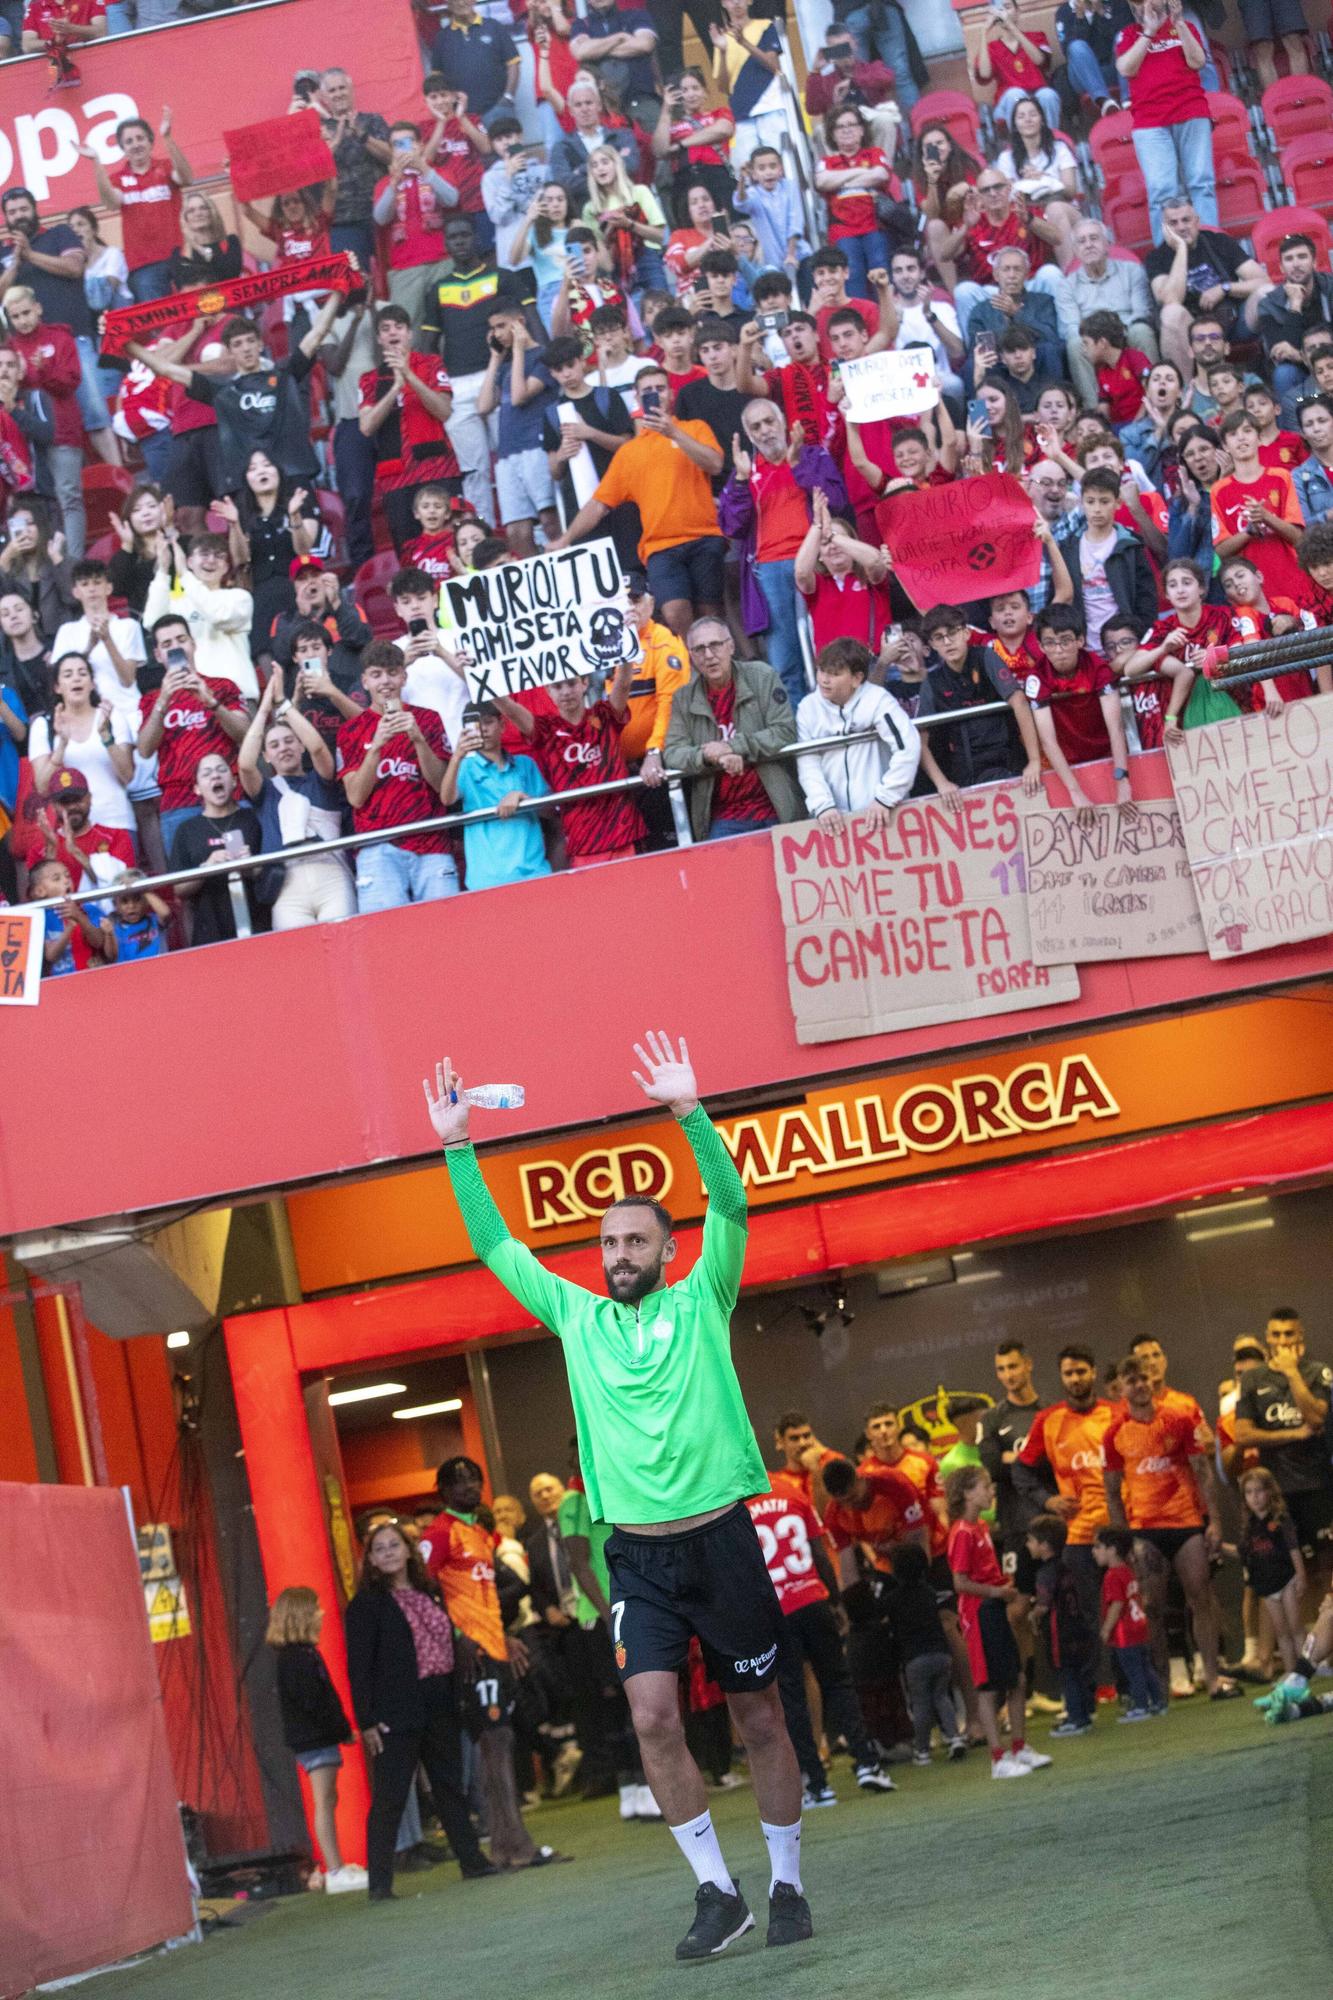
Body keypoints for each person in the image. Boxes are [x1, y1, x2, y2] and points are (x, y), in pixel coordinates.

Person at [424, 1035, 812, 1958]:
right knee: (649, 1715)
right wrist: (455, 1145)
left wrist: (689, 1113)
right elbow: (492, 1242)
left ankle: (787, 1881)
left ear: (669, 1250)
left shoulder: (704, 1297)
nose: (617, 1252)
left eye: (635, 1239)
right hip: (636, 1555)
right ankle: (718, 1894)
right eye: (606, 1242)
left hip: (720, 1539)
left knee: (760, 1717)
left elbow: (732, 1200)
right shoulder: (574, 1316)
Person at [422, 1457, 562, 1871]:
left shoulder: (480, 1533)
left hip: (494, 1648)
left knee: (502, 1744)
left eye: (474, 1479)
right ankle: (512, 1846)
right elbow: (424, 1591)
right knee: (492, 1750)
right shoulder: (439, 1533)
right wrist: (459, 1637)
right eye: (458, 1481)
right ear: (443, 1490)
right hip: (472, 1656)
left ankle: (509, 1845)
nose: (469, 1486)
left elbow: (492, 1593)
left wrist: (504, 1636)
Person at [345, 1520, 495, 1900]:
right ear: (371, 1559)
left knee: (449, 1786)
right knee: (390, 1797)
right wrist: (366, 1720)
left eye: (395, 1545)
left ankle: (472, 1861)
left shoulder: (431, 1591)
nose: (389, 1552)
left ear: (409, 1550)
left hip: (440, 1701)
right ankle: (379, 1883)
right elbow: (358, 1667)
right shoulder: (365, 1605)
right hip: (396, 1710)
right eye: (380, 1548)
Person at [745, 1482, 896, 1801]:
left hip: (778, 1610)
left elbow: (745, 1572)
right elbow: (819, 1554)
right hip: (812, 1599)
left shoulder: (737, 1510)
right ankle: (867, 1763)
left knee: (793, 1697)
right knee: (838, 1683)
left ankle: (816, 1783)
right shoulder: (793, 1495)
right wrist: (835, 1601)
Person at [551, 365, 725, 638]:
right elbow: (599, 504)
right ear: (636, 397)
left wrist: (674, 433)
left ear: (671, 393)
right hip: (660, 547)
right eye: (647, 391)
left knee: (711, 614)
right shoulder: (629, 452)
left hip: (704, 537)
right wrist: (564, 539)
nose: (654, 395)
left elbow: (715, 464)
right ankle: (693, 675)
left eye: (660, 389)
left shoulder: (695, 428)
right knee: (674, 613)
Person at [1104, 1352, 1237, 1699]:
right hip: (1144, 1529)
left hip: (1185, 1522)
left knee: (1201, 1598)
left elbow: (1204, 1473)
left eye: (1145, 1378)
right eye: (1133, 1380)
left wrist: (1214, 1523)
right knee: (1151, 1607)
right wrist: (1122, 1542)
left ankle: (1211, 1679)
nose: (1141, 1385)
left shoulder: (1178, 1419)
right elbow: (1112, 1492)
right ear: (1121, 1388)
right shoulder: (1115, 1432)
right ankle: (1159, 1686)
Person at [126, 290, 342, 500]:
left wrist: (339, 292)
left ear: (260, 344)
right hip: (252, 489)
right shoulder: (223, 393)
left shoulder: (284, 375)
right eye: (238, 344)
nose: (246, 349)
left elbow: (317, 333)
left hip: (293, 476)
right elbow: (166, 369)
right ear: (229, 351)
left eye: (250, 341)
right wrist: (124, 343)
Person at [719, 397, 845, 705]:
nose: (764, 431)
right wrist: (740, 480)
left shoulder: (811, 455)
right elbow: (731, 527)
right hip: (769, 569)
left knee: (829, 650)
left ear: (784, 423)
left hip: (817, 561)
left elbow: (836, 500)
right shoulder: (744, 471)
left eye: (769, 422)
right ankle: (800, 739)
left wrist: (797, 464)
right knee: (784, 661)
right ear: (748, 435)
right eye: (755, 427)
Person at [946, 1465, 1050, 1779]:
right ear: (967, 1493)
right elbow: (960, 1583)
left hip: (994, 1608)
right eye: (985, 1486)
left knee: (1016, 1679)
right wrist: (996, 1591)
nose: (991, 1491)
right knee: (988, 1687)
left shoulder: (981, 1529)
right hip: (978, 1614)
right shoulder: (962, 1533)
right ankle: (997, 1758)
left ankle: (1019, 1747)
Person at [336, 639, 454, 913]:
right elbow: (355, 797)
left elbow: (442, 788)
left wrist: (419, 740)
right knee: (386, 940)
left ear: (404, 676)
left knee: (446, 931)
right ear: (364, 681)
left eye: (391, 672)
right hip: (377, 848)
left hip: (431, 842)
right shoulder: (350, 731)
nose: (385, 681)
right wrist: (376, 746)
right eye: (376, 674)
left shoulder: (429, 720)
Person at [663, 618, 803, 841]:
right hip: (723, 817)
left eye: (715, 645)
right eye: (699, 649)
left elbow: (785, 731)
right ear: (690, 655)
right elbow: (672, 753)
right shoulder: (683, 698)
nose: (709, 655)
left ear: (731, 646)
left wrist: (732, 746)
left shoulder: (762, 675)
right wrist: (709, 756)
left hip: (774, 805)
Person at [266, 1586, 366, 1895]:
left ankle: (335, 1865)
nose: (322, 1614)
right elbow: (315, 1702)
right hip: (314, 1739)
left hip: (316, 1737)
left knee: (329, 1799)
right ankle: (334, 1870)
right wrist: (341, 1729)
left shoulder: (300, 1655)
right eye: (315, 1609)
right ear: (300, 1616)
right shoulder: (297, 1658)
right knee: (324, 1801)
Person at [237, 671, 355, 933]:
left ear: (300, 746)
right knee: (303, 963)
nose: (284, 748)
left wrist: (285, 705)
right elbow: (245, 764)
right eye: (275, 745)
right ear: (266, 756)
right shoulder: (265, 791)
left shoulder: (321, 779)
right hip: (287, 885)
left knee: (345, 949)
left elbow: (318, 749)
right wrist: (265, 707)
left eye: (290, 741)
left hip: (331, 877)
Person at [1234, 1309, 1333, 1611]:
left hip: (1317, 1485)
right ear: (1267, 1337)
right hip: (1275, 1492)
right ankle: (1301, 1648)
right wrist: (1294, 1434)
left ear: (1300, 1335)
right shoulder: (1252, 1378)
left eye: (1289, 1333)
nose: (1282, 1340)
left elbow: (1317, 1419)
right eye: (1276, 1334)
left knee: (1326, 1569)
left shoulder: (1318, 1372)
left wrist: (1291, 1373)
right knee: (1286, 1573)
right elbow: (1243, 1434)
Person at [1018, 1345, 1117, 1643]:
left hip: (1119, 1528)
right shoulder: (1048, 1420)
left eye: (1081, 1372)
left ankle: (1134, 1681)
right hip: (1078, 1534)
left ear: (1093, 1373)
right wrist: (1048, 1500)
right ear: (1061, 1377)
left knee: (1128, 1604)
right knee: (1090, 1613)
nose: (1075, 1379)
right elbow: (1021, 1471)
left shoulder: (1117, 1414)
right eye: (1068, 1373)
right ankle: (1104, 1684)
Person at [914, 605, 1043, 805]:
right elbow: (919, 741)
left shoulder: (986, 656)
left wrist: (1034, 761)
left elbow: (1019, 702)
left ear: (966, 633)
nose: (947, 642)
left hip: (1009, 763)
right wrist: (942, 783)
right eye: (939, 637)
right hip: (963, 776)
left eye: (952, 633)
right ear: (931, 644)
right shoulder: (932, 682)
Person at [358, 303, 461, 551]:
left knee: (450, 545)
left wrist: (409, 376)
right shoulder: (369, 379)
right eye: (385, 329)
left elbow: (444, 411)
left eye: (399, 327)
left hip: (437, 469)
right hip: (396, 478)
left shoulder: (432, 364)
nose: (393, 332)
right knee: (409, 552)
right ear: (379, 338)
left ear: (409, 333)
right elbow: (366, 427)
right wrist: (394, 387)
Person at [1113, 0, 1215, 244]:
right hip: (1150, 122)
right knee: (1161, 191)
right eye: (1139, 4)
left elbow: (1197, 62)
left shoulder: (1185, 26)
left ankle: (1213, 246)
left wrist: (1178, 24)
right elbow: (1126, 68)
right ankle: (1168, 255)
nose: (1146, 6)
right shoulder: (1127, 35)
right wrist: (1148, 31)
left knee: (1201, 183)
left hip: (1190, 111)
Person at [794, 635, 919, 831]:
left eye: (835, 674)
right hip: (832, 821)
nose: (825, 680)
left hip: (886, 815)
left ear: (857, 678)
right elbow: (808, 762)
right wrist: (822, 806)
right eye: (822, 671)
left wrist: (885, 798)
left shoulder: (878, 699)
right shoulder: (807, 708)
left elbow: (907, 746)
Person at [1026, 603, 1137, 818]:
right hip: (1066, 763)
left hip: (1107, 754)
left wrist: (1122, 779)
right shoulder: (1036, 678)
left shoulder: (1098, 668)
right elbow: (1047, 740)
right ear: (1040, 646)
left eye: (1066, 641)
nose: (1058, 650)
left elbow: (1115, 727)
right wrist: (1075, 792)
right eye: (1050, 643)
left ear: (1080, 640)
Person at [440, 698, 552, 889]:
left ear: (502, 725)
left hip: (535, 872)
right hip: (487, 879)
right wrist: (457, 755)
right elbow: (447, 798)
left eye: (488, 722)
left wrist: (523, 797)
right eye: (476, 724)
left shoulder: (526, 764)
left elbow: (551, 812)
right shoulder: (464, 767)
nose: (483, 729)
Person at [168, 752, 265, 946]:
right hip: (210, 931)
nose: (215, 776)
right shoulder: (187, 830)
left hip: (261, 924)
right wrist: (206, 868)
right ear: (197, 789)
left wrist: (252, 866)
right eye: (207, 773)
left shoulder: (254, 818)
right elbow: (179, 889)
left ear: (234, 781)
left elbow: (275, 870)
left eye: (222, 770)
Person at [316, 67, 393, 274]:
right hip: (342, 221)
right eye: (332, 91)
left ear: (351, 90)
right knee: (355, 284)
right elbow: (311, 175)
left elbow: (391, 157)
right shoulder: (318, 131)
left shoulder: (373, 121)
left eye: (342, 88)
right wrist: (334, 143)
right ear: (323, 97)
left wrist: (362, 135)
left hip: (380, 213)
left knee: (393, 274)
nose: (338, 93)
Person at [1026, 1513, 1098, 1736]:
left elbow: (1044, 1605)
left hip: (1061, 1633)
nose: (1028, 1545)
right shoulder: (1067, 1567)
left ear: (1044, 1545)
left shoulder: (1045, 1572)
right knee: (1079, 1672)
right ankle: (1084, 1714)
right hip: (1079, 1627)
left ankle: (1075, 1719)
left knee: (1068, 1675)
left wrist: (1032, 1614)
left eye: (1031, 1541)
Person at [1237, 1466, 1307, 1674]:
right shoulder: (1249, 1526)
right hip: (1267, 1585)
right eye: (1249, 1492)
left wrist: (1301, 1575)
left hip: (1287, 1579)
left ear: (1269, 1492)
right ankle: (1290, 1671)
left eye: (1259, 1491)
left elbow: (1293, 1547)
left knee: (1295, 1627)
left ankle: (1306, 1668)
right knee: (1281, 1631)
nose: (1255, 1497)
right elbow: (1242, 1551)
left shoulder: (1280, 1519)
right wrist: (1218, 1547)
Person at [1092, 1525, 1166, 1719]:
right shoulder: (1127, 1571)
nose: (1094, 1551)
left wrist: (1106, 1628)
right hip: (1139, 1627)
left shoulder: (1112, 1575)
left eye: (1098, 1547)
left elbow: (1117, 1603)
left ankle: (1141, 1705)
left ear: (1112, 1550)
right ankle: (1157, 1701)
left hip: (1125, 1633)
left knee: (1133, 1671)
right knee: (1145, 1667)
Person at [971, 0, 1062, 129]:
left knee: (1048, 95)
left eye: (1007, 7)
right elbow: (984, 75)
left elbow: (1040, 61)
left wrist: (1012, 27)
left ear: (1018, 12)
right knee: (1015, 94)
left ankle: (1052, 140)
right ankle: (1020, 145)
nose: (1003, 13)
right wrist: (983, 32)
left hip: (1037, 96)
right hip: (1008, 102)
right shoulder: (991, 48)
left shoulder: (1036, 36)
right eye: (1000, 9)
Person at [571, 0, 661, 130]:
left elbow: (644, 45)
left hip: (642, 100)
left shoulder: (637, 15)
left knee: (658, 148)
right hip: (603, 109)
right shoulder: (580, 24)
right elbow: (581, 52)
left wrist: (597, 50)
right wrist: (620, 37)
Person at [427, 0, 520, 123]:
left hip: (498, 108)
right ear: (449, 5)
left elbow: (513, 63)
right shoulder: (442, 38)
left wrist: (508, 97)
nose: (460, 3)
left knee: (507, 143)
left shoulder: (494, 26)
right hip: (463, 116)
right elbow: (437, 79)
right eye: (455, 1)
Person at [97, 869, 170, 964]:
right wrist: (109, 933)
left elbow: (165, 913)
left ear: (146, 901)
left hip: (160, 971)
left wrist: (142, 888)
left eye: (137, 899)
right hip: (131, 976)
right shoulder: (114, 928)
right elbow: (111, 955)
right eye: (124, 901)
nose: (131, 906)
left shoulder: (154, 920)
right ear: (115, 905)